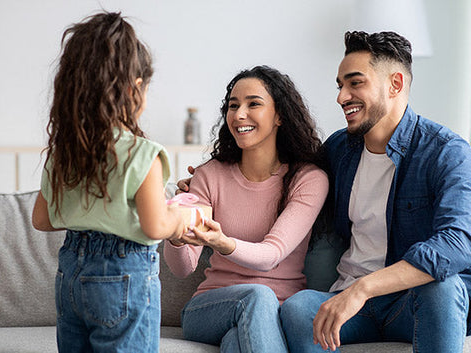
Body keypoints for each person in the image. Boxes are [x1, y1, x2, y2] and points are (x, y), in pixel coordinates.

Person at [279, 31, 471, 353]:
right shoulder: (340, 149)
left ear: (395, 84)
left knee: (441, 288)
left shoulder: (446, 152)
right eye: (340, 86)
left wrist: (363, 289)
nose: (341, 97)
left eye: (355, 83)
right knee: (298, 309)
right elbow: (281, 178)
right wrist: (206, 180)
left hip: (411, 303)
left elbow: (459, 243)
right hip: (355, 306)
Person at [31, 12, 187, 353]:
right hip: (123, 274)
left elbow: (41, 219)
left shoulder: (63, 152)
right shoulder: (142, 154)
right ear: (135, 88)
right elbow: (156, 224)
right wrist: (184, 218)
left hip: (70, 274)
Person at [164, 65, 329, 352]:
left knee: (236, 342)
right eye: (233, 106)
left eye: (253, 104)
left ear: (280, 115)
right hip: (210, 308)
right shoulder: (209, 174)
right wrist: (176, 234)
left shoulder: (309, 179)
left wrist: (222, 242)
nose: (239, 114)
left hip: (279, 314)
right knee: (256, 297)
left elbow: (272, 255)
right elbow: (183, 268)